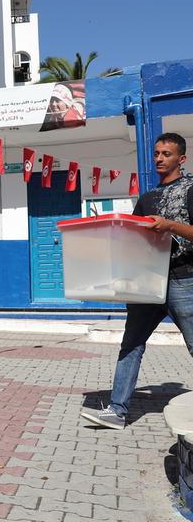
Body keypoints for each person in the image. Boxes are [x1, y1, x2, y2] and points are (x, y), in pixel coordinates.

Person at [80, 132, 193, 430]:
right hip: (147, 281)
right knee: (131, 344)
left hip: (184, 280)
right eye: (156, 153)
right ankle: (117, 411)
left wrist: (169, 225)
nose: (158, 158)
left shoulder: (191, 189)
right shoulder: (147, 197)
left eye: (166, 154)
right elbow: (135, 241)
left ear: (181, 159)